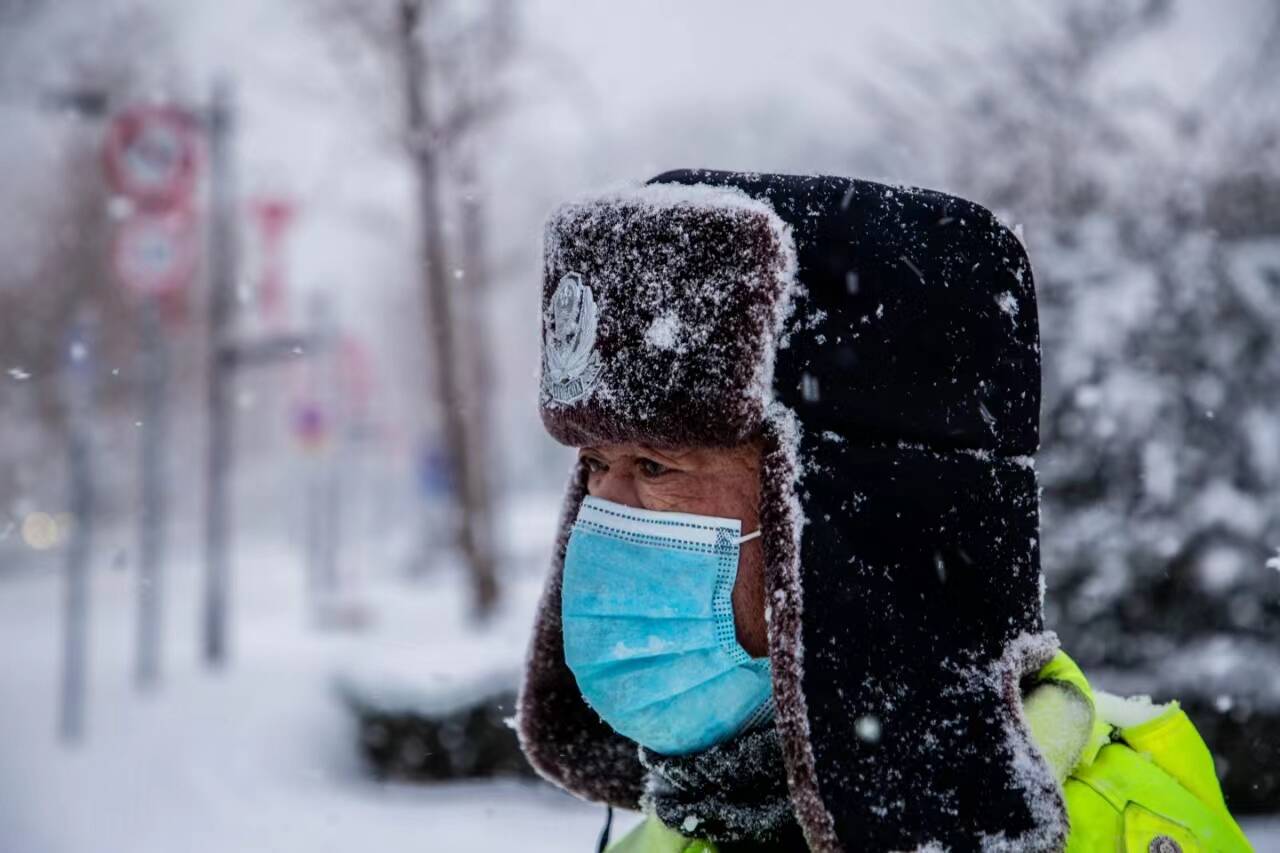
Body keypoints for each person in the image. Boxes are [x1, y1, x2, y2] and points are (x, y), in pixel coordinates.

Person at [515, 170, 1252, 852]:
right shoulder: (662, 838)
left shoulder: (1120, 830)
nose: (599, 520)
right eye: (593, 465)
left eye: (654, 465)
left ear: (845, 516)